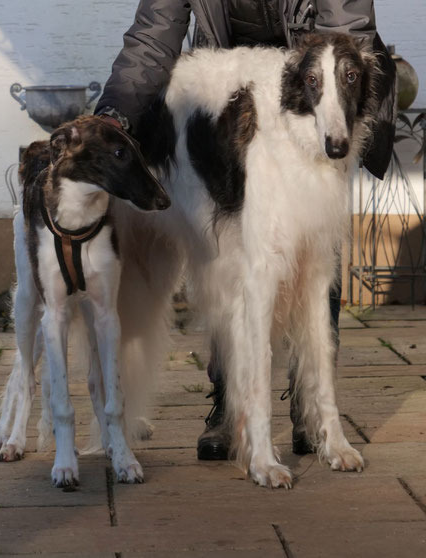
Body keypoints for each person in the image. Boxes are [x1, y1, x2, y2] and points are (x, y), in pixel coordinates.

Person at [94, 0, 396, 460]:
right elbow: (154, 34)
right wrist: (112, 120)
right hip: (235, 102)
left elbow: (346, 29)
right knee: (234, 263)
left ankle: (310, 406)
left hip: (306, 91)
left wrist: (312, 89)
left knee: (314, 267)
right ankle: (232, 404)